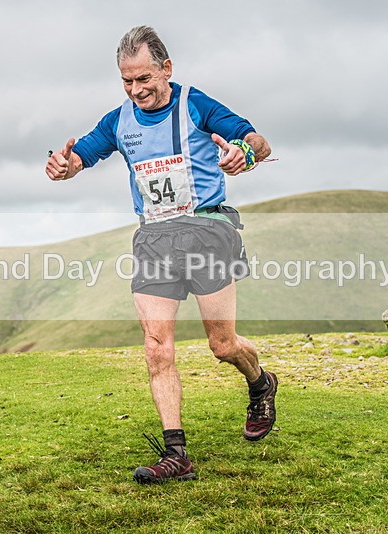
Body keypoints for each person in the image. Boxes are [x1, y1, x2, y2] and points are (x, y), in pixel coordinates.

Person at [45, 25, 277, 484]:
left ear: (166, 68)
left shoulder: (195, 104)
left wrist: (244, 156)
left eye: (144, 78)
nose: (136, 90)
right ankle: (176, 453)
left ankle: (260, 383)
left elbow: (257, 142)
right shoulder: (119, 121)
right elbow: (82, 156)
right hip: (154, 238)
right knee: (156, 345)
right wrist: (64, 166)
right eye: (127, 81)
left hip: (207, 232)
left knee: (222, 345)